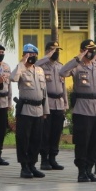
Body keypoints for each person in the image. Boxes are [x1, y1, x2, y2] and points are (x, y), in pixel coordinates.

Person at [60, 40, 96, 183]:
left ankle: (89, 169)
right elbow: (62, 71)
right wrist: (78, 58)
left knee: (95, 142)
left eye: (93, 49)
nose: (91, 52)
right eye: (88, 49)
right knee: (82, 141)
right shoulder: (76, 66)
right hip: (82, 109)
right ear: (83, 50)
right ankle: (81, 171)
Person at [11, 44, 48, 179]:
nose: (31, 57)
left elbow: (45, 93)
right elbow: (13, 78)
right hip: (25, 110)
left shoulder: (39, 70)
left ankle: (32, 165)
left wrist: (45, 110)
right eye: (28, 54)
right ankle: (24, 166)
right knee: (23, 139)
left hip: (39, 109)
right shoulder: (20, 69)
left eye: (33, 55)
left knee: (36, 140)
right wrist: (22, 63)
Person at [36, 41, 67, 171]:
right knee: (45, 132)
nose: (56, 53)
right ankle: (44, 159)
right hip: (47, 103)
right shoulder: (41, 66)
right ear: (48, 50)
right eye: (54, 50)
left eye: (58, 50)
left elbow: (63, 86)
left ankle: (53, 158)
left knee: (56, 132)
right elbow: (34, 65)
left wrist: (66, 102)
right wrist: (46, 57)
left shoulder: (60, 67)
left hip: (59, 103)